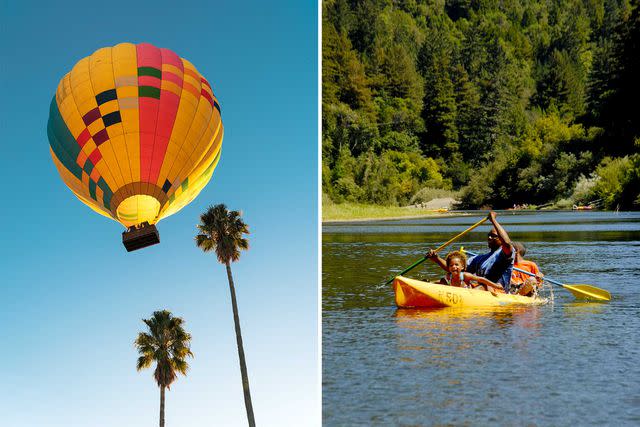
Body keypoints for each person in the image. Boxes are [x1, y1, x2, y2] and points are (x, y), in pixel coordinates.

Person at [426, 211, 515, 293]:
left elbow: (507, 243)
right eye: (489, 235)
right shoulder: (479, 258)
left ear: (501, 238)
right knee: (445, 280)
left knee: (481, 287)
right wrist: (436, 258)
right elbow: (454, 269)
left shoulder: (504, 253)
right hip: (481, 290)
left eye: (493, 236)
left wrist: (493, 220)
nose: (489, 238)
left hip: (498, 291)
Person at [427, 250, 505, 293]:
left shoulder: (465, 275)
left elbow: (481, 279)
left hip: (472, 291)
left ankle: (493, 289)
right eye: (451, 265)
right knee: (442, 282)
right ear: (448, 267)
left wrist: (495, 285)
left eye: (457, 265)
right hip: (458, 294)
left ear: (463, 267)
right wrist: (429, 283)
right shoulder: (448, 277)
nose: (454, 267)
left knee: (482, 286)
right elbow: (439, 281)